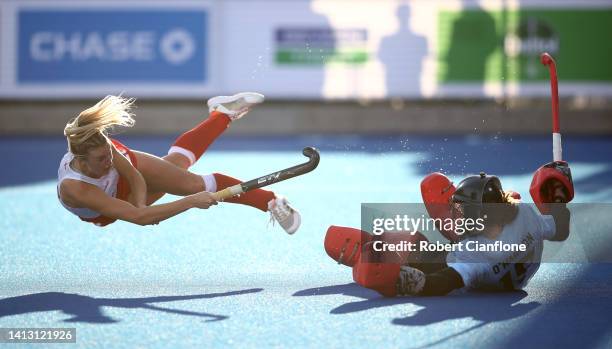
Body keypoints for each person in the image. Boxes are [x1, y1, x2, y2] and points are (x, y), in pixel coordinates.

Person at [57, 92, 300, 234]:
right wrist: (188, 203)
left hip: (131, 195)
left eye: (109, 153)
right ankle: (221, 115)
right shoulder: (77, 188)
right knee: (175, 167)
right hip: (103, 211)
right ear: (81, 161)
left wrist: (142, 204)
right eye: (101, 159)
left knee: (193, 183)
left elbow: (133, 176)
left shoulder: (104, 149)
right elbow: (141, 218)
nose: (109, 161)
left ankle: (270, 201)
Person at [324, 167, 573, 297]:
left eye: (463, 210)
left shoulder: (475, 256)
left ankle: (378, 247)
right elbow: (559, 229)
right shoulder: (525, 214)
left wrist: (405, 282)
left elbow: (445, 282)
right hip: (512, 263)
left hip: (468, 265)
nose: (458, 213)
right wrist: (558, 199)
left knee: (411, 245)